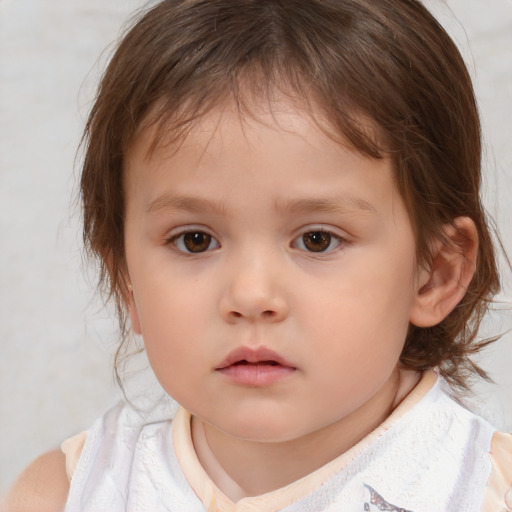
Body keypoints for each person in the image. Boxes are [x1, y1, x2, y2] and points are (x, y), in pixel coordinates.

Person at [4, 0, 512, 510]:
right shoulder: (66, 493)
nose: (250, 296)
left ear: (435, 275)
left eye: (317, 239)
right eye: (195, 240)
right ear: (126, 280)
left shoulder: (485, 491)